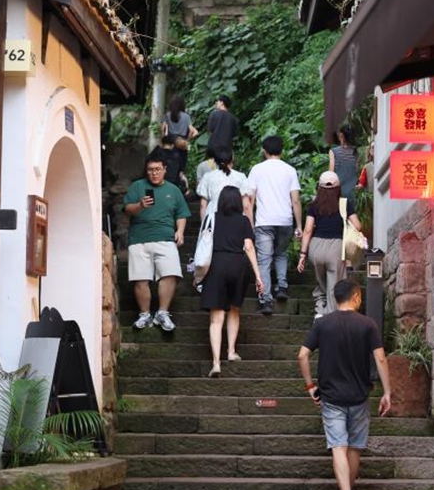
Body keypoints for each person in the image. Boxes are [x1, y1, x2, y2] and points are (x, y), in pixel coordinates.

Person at [297, 279, 391, 490]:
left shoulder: (323, 324)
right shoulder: (367, 324)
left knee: (338, 446)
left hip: (331, 397)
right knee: (355, 447)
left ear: (335, 299)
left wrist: (310, 386)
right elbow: (380, 359)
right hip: (360, 396)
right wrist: (387, 392)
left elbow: (303, 355)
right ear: (357, 296)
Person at [122, 148, 191, 332]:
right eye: (150, 169)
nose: (154, 173)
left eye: (157, 169)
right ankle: (144, 314)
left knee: (170, 274)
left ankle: (162, 313)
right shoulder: (137, 186)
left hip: (166, 238)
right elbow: (127, 209)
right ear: (146, 170)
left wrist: (181, 231)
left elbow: (181, 214)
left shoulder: (173, 190)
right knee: (140, 278)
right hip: (139, 238)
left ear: (165, 169)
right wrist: (140, 205)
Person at [200, 186, 263, 378]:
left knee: (216, 318)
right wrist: (258, 276)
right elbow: (249, 247)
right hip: (238, 265)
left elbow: (204, 241)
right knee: (234, 308)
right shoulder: (243, 221)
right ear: (237, 201)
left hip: (216, 264)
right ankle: (231, 351)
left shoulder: (212, 218)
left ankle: (216, 363)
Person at [246, 135, 303, 315]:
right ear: (282, 151)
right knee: (281, 253)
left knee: (264, 259)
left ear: (264, 151)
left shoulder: (256, 170)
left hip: (264, 220)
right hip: (285, 220)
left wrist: (250, 222)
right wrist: (299, 225)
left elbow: (250, 199)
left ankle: (266, 300)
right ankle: (282, 286)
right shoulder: (290, 170)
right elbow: (295, 200)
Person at [297, 171, 364, 319]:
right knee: (335, 285)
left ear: (319, 188)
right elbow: (358, 226)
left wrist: (303, 254)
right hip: (336, 248)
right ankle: (330, 318)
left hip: (316, 248)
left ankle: (320, 311)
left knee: (320, 283)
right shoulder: (345, 204)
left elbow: (308, 230)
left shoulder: (313, 205)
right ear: (338, 187)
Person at [196, 146, 252, 223]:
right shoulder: (240, 177)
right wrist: (250, 228)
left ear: (215, 161)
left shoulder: (208, 177)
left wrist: (204, 225)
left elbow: (203, 205)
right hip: (236, 220)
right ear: (232, 159)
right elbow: (246, 205)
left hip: (213, 219)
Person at [161, 95, 198, 173]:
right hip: (182, 144)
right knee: (181, 169)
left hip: (170, 142)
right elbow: (193, 132)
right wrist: (187, 139)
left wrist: (164, 136)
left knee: (169, 166)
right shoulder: (186, 116)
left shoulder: (167, 115)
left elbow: (162, 129)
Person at [329, 124, 358, 206]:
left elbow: (331, 173)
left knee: (341, 216)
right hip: (354, 192)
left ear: (341, 136)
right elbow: (357, 170)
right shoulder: (356, 152)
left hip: (339, 192)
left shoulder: (334, 151)